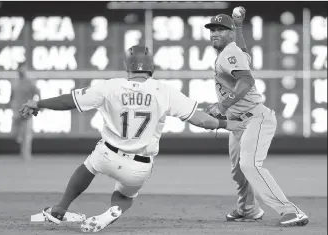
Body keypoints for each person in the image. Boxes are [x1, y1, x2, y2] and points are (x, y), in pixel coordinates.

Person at [20, 45, 246, 232]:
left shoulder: (111, 86)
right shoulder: (164, 90)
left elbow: (69, 101)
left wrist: (38, 104)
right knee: (125, 195)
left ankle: (60, 208)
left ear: (127, 66)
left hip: (107, 153)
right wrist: (228, 124)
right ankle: (113, 211)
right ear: (151, 68)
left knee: (88, 166)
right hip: (139, 166)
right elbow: (202, 121)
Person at [203, 7, 309, 226]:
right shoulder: (233, 51)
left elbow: (246, 81)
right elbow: (242, 50)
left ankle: (290, 211)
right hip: (238, 123)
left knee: (250, 165)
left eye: (221, 29)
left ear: (229, 33)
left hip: (255, 118)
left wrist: (222, 106)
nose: (215, 32)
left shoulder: (229, 53)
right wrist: (239, 26)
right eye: (212, 29)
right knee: (238, 171)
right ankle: (248, 209)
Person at [10, 61, 39, 161]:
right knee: (17, 134)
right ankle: (23, 150)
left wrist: (36, 104)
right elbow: (12, 94)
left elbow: (37, 92)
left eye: (24, 68)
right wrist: (9, 104)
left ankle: (26, 155)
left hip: (27, 110)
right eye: (20, 68)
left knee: (26, 134)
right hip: (16, 110)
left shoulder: (29, 81)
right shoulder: (15, 81)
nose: (22, 70)